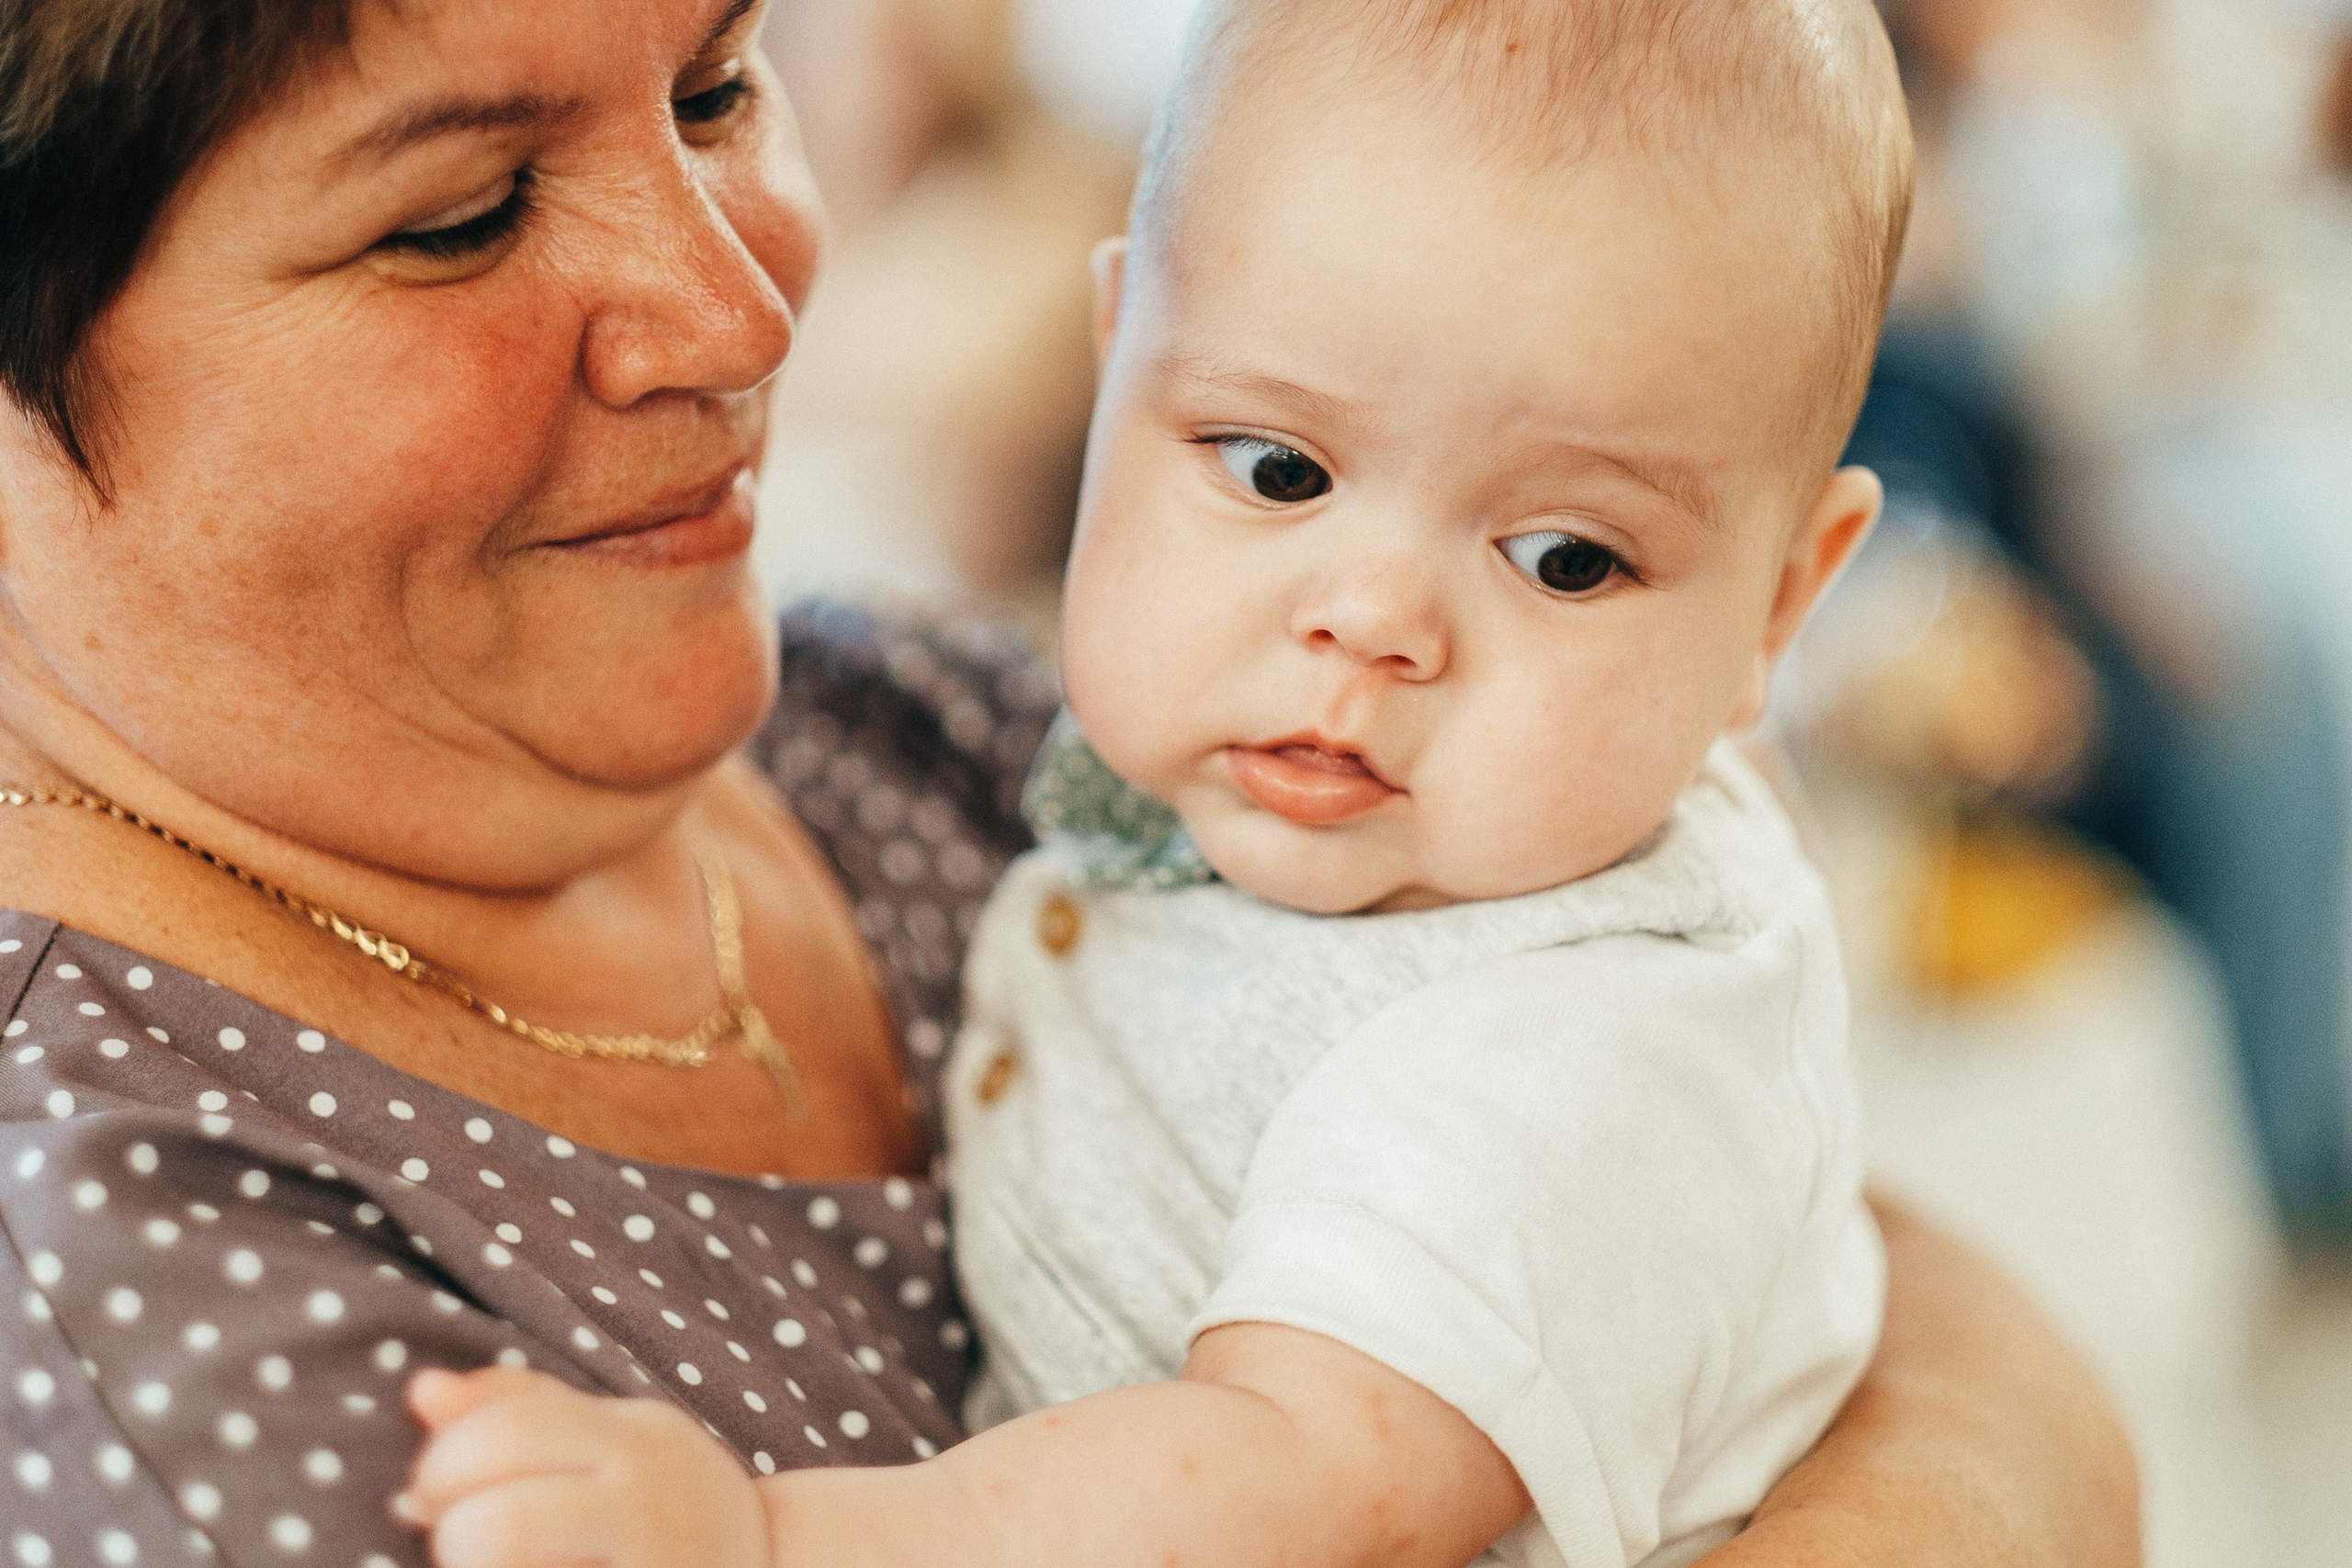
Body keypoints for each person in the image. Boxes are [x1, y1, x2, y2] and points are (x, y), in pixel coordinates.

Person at [0, 1, 2135, 1565]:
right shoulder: (129, 1284)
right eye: (459, 215)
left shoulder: (952, 726)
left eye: (722, 84)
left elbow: (1914, 1296)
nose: (738, 312)